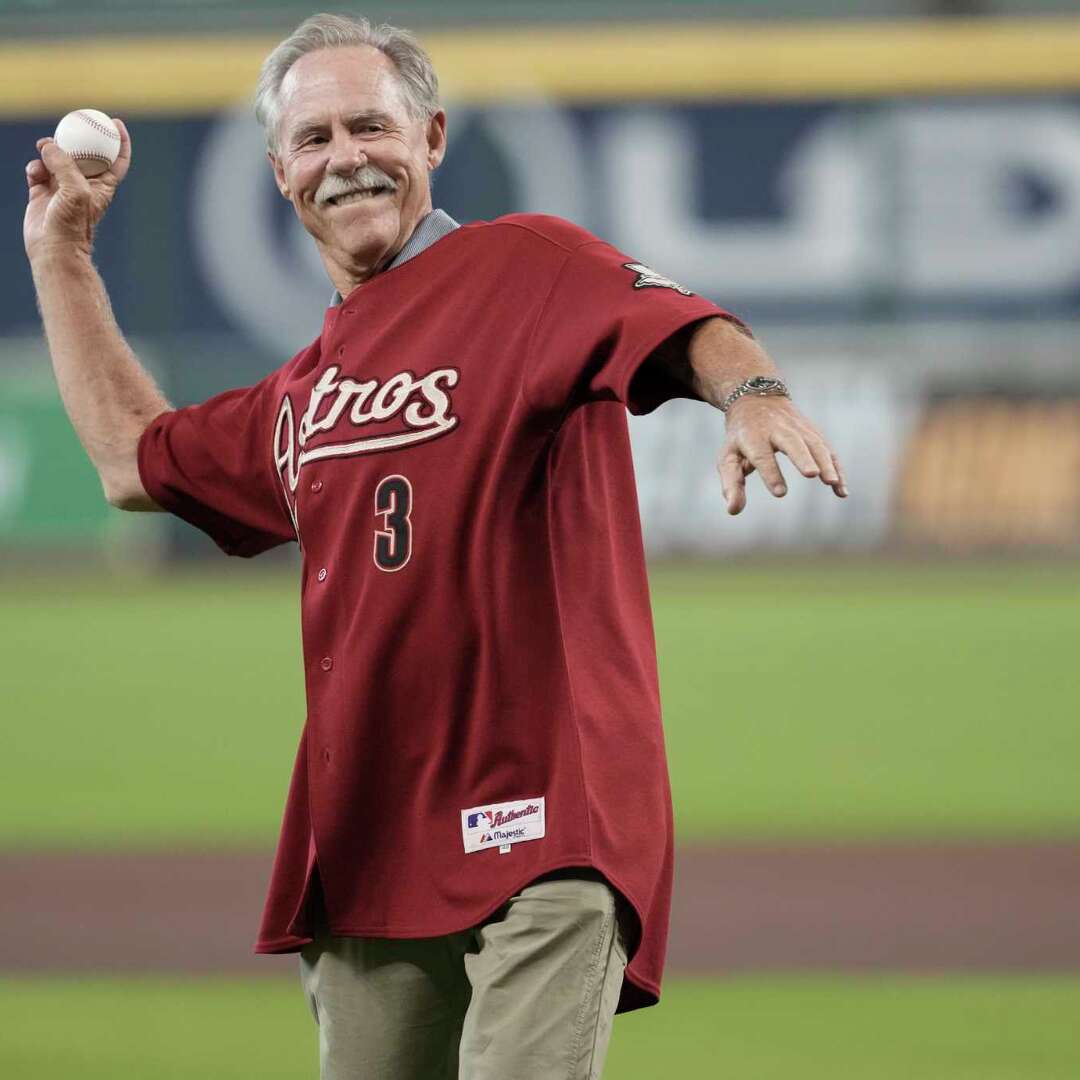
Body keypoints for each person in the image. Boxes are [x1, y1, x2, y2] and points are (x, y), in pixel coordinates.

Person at [23, 13, 847, 1080]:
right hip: (370, 842)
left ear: (433, 139)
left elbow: (685, 324)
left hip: (546, 826)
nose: (345, 157)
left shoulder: (530, 267)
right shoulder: (304, 394)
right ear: (279, 173)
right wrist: (65, 254)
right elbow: (134, 462)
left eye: (371, 126)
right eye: (314, 139)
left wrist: (755, 392)